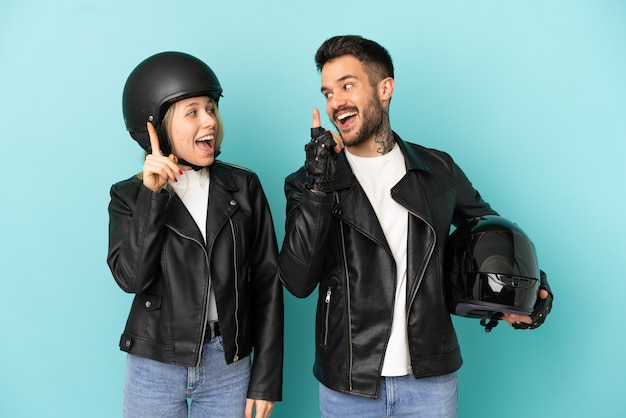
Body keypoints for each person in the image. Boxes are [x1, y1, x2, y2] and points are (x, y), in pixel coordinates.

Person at [278, 35, 552, 417]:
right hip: (349, 382)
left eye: (347, 85)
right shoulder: (307, 182)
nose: (335, 101)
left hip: (430, 378)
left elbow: (491, 232)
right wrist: (318, 188)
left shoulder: (438, 170)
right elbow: (297, 280)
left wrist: (527, 286)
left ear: (384, 88)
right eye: (327, 92)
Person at [107, 51, 283, 418]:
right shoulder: (128, 196)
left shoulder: (244, 187)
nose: (209, 121)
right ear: (155, 127)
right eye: (192, 112)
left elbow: (267, 284)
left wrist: (266, 378)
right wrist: (152, 198)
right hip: (155, 363)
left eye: (211, 109)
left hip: (228, 365)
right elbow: (131, 277)